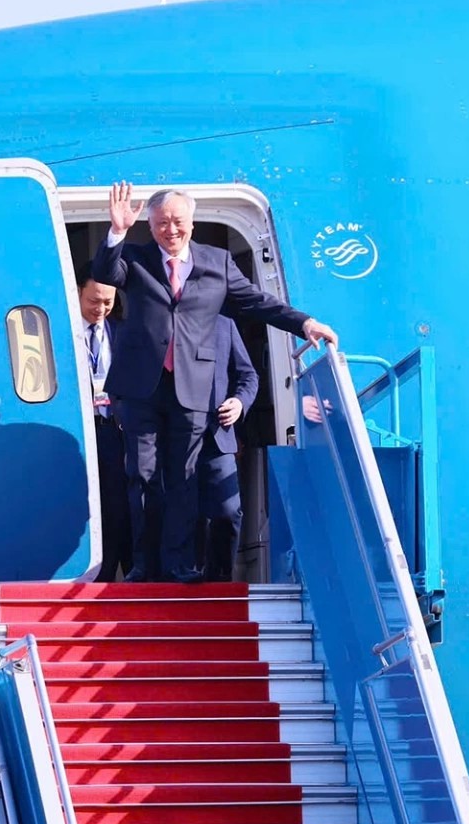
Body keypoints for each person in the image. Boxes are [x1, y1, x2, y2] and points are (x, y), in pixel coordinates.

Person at [92, 182, 338, 581]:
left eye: (178, 221)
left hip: (194, 386)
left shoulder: (218, 262)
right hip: (141, 388)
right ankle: (145, 565)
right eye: (161, 223)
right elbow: (105, 272)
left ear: (191, 222)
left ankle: (178, 565)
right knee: (143, 474)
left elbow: (258, 302)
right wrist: (117, 231)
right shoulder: (135, 259)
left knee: (184, 479)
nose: (171, 230)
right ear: (150, 225)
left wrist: (305, 323)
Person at [77, 273, 134, 580]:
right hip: (76, 429)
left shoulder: (122, 333)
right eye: (93, 301)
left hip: (113, 429)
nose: (100, 309)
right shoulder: (63, 333)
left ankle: (111, 575)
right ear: (78, 293)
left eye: (107, 302)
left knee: (116, 504)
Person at [198, 316, 257, 583]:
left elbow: (248, 375)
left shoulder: (225, 325)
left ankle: (220, 581)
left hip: (217, 435)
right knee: (184, 514)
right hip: (174, 435)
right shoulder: (164, 319)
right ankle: (182, 579)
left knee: (228, 510)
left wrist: (239, 402)